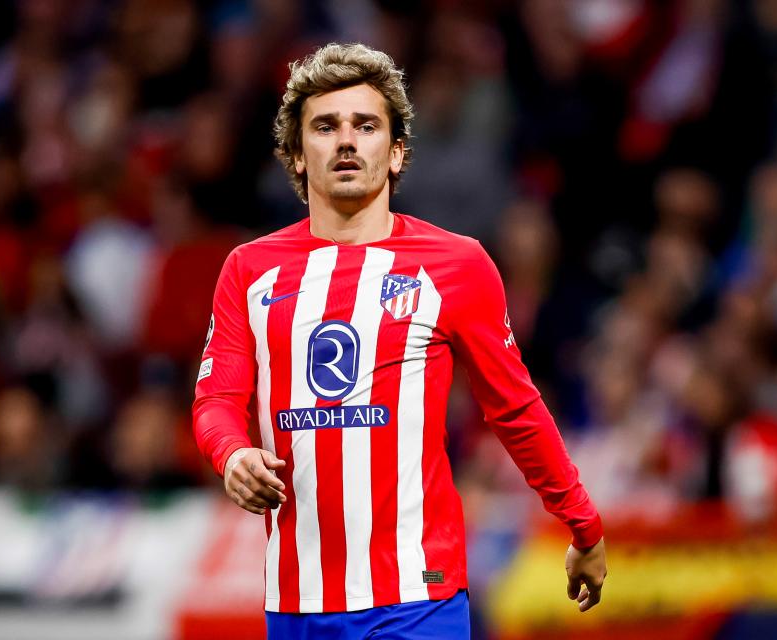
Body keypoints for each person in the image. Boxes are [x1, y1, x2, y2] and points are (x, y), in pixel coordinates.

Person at [191, 42, 606, 639]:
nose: (347, 141)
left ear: (396, 152)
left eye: (366, 126)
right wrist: (232, 454)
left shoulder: (456, 265)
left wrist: (582, 523)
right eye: (325, 127)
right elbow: (216, 401)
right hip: (297, 601)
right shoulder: (249, 271)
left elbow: (514, 408)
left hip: (418, 597)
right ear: (297, 154)